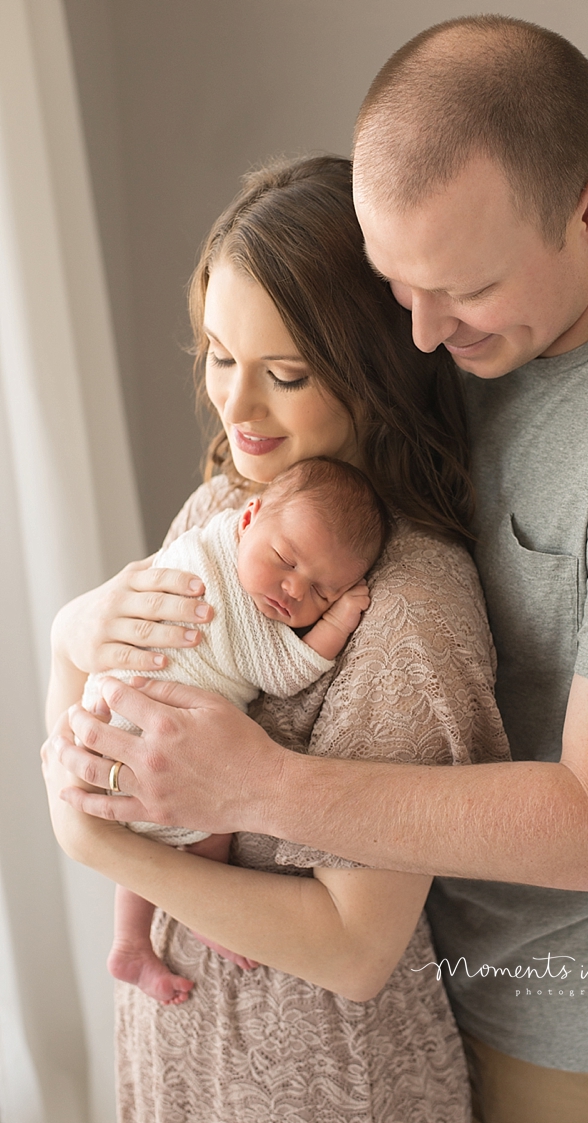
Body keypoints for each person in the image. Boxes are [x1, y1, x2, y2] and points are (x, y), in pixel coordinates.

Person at [45, 15, 588, 1123]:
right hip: (413, 953)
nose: (415, 334)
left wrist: (249, 788)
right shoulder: (451, 310)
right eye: (393, 283)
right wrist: (75, 630)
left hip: (567, 995)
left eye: (457, 292)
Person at [44, 154, 510, 1122]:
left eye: (285, 374)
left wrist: (95, 843)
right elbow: (108, 704)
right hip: (179, 1049)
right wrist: (66, 633)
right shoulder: (225, 507)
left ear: (375, 369)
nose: (238, 408)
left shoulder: (411, 609)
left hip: (318, 1082)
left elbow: (354, 945)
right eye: (220, 355)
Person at [91, 456, 385, 1006]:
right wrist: (337, 621)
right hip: (133, 711)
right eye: (284, 560)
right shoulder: (217, 581)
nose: (293, 591)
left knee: (134, 842)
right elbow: (285, 673)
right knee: (210, 823)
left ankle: (130, 943)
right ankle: (208, 913)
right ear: (246, 518)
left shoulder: (219, 538)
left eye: (322, 592)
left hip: (103, 716)